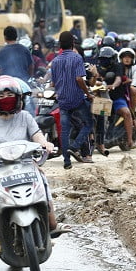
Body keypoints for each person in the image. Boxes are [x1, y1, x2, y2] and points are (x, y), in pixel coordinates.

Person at [0, 76, 69, 255]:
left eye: (10, 94)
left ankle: (52, 223)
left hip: (24, 163)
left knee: (42, 180)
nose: (6, 98)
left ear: (18, 97)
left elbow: (37, 136)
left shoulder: (25, 117)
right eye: (2, 95)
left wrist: (46, 144)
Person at [50, 31, 95, 169]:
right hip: (76, 99)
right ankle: (75, 146)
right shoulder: (77, 58)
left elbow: (53, 83)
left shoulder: (55, 61)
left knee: (64, 130)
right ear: (72, 43)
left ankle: (67, 162)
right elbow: (79, 79)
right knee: (89, 123)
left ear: (60, 45)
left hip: (62, 100)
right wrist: (87, 93)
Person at [97, 46, 136, 150]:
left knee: (126, 113)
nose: (104, 61)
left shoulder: (118, 66)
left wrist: (113, 85)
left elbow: (118, 79)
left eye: (107, 59)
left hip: (116, 98)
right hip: (102, 99)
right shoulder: (97, 68)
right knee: (94, 117)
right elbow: (94, 79)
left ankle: (130, 140)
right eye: (102, 59)